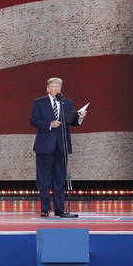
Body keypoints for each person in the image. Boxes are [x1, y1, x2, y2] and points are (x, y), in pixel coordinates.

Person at [31, 77, 88, 217]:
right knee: (44, 179)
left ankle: (59, 209)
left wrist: (80, 118)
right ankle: (45, 208)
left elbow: (71, 121)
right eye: (54, 86)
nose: (57, 89)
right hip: (45, 146)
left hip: (62, 145)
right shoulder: (39, 102)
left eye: (59, 86)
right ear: (48, 89)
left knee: (60, 179)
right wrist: (50, 124)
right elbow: (33, 120)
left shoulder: (66, 102)